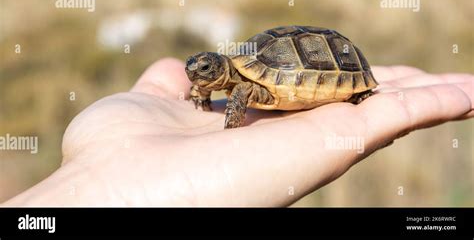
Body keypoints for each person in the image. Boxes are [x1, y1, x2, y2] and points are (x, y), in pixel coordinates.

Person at [3, 58, 473, 206]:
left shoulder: (245, 85)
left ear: (223, 68)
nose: (197, 75)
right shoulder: (222, 81)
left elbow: (243, 98)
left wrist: (228, 121)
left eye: (206, 71)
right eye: (196, 72)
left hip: (333, 65)